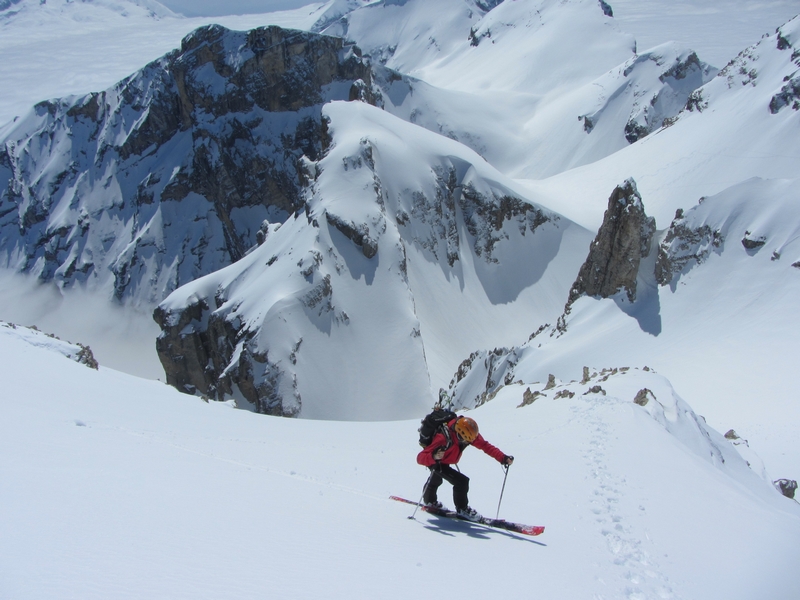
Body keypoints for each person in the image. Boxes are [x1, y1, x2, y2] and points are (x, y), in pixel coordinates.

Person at [416, 415, 513, 521]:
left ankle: (430, 501)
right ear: (458, 433)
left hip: (444, 459)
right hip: (435, 460)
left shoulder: (468, 434)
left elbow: (485, 446)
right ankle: (462, 509)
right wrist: (434, 456)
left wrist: (503, 458)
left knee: (436, 478)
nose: (467, 442)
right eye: (465, 440)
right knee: (461, 481)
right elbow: (420, 458)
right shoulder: (443, 438)